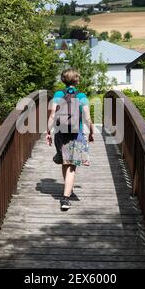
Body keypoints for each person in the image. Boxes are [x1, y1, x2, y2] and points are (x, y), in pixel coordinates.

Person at [46, 68, 94, 211]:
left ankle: (69, 190)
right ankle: (65, 198)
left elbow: (53, 116)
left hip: (60, 133)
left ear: (63, 80)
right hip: (75, 134)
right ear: (77, 80)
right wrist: (91, 132)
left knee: (65, 162)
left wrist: (48, 132)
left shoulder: (58, 94)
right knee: (72, 166)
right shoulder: (81, 96)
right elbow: (87, 118)